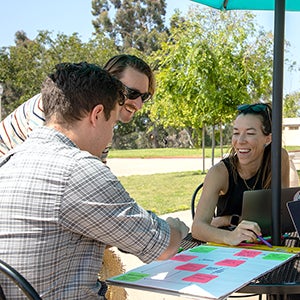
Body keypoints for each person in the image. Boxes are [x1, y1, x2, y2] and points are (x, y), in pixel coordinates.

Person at [0, 62, 189, 299]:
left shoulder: (10, 161)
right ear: (97, 114)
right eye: (112, 124)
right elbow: (161, 246)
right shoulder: (78, 169)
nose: (110, 135)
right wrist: (178, 229)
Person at [0, 54, 154, 163]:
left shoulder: (103, 125)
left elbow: (96, 173)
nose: (139, 104)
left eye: (144, 96)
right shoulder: (56, 107)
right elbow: (43, 169)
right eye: (132, 93)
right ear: (110, 82)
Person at [191, 103, 290, 246]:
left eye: (250, 133)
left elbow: (282, 212)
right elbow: (197, 228)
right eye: (236, 133)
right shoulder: (219, 172)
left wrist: (229, 219)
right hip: (228, 251)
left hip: (266, 245)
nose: (240, 141)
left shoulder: (278, 158)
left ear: (268, 139)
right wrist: (230, 237)